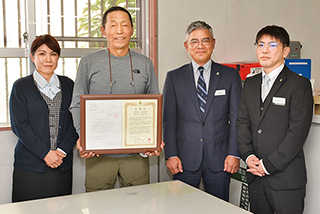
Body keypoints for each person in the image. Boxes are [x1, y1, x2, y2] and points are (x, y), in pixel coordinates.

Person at [69, 6, 161, 192]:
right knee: (98, 204)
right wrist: (84, 138)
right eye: (113, 25)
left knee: (138, 204)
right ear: (104, 30)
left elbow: (155, 107)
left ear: (132, 30)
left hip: (136, 155)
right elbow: (77, 104)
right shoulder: (88, 62)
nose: (119, 31)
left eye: (124, 25)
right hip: (98, 154)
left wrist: (156, 139)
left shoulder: (145, 63)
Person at [237, 25, 313, 214]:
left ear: (285, 51)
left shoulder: (299, 84)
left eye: (272, 45)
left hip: (285, 180)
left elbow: (297, 133)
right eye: (260, 44)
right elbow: (242, 123)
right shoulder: (250, 84)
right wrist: (248, 156)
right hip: (256, 177)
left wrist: (267, 165)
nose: (264, 50)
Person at [163, 20, 241, 201]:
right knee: (184, 207)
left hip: (221, 159)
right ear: (186, 46)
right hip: (183, 159)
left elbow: (238, 118)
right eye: (194, 41)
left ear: (213, 43)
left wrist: (234, 153)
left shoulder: (230, 76)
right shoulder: (174, 77)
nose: (200, 46)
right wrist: (171, 154)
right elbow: (169, 120)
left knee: (219, 208)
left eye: (205, 41)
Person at [9, 34, 78, 202]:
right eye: (42, 53)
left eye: (53, 54)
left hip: (61, 165)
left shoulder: (68, 85)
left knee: (61, 208)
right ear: (32, 57)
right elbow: (20, 126)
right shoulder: (21, 86)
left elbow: (76, 122)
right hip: (30, 167)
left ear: (58, 58)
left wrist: (60, 152)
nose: (48, 59)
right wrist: (46, 153)